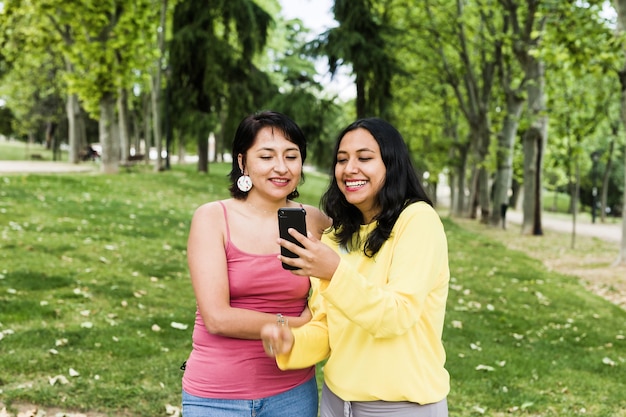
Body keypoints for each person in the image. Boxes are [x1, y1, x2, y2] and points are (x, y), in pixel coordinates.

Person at [261, 117, 450, 416]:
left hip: (401, 406)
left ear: (392, 164)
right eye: (341, 160)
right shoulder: (336, 235)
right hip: (337, 402)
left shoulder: (417, 220)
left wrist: (333, 271)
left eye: (364, 158)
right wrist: (291, 342)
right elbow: (327, 326)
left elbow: (396, 315)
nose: (350, 169)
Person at [182, 111, 331, 417]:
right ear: (242, 162)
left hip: (293, 393)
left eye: (292, 156)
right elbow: (218, 318)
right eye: (266, 156)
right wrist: (296, 324)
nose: (281, 167)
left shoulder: (314, 221)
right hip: (216, 396)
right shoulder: (213, 218)